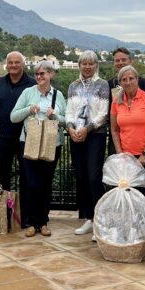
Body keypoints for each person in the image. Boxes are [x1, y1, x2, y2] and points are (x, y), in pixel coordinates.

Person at [10, 60, 66, 238]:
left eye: (43, 73)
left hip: (52, 144)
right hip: (29, 142)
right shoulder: (28, 93)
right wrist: (28, 109)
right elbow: (13, 117)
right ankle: (32, 222)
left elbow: (66, 121)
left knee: (45, 184)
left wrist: (55, 115)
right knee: (32, 183)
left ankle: (43, 222)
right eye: (37, 74)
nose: (39, 77)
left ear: (51, 74)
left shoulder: (58, 95)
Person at [65, 51, 110, 236]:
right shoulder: (73, 86)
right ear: (79, 65)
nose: (87, 67)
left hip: (95, 135)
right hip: (75, 135)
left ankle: (99, 220)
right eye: (84, 64)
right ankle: (89, 219)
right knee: (82, 178)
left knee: (93, 177)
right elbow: (69, 111)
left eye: (91, 64)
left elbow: (104, 113)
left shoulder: (102, 85)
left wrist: (88, 128)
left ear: (96, 65)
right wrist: (70, 128)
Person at [0, 51, 36, 226]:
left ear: (23, 64)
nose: (14, 65)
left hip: (25, 138)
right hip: (3, 138)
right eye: (11, 62)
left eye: (17, 62)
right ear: (6, 64)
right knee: (2, 177)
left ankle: (23, 215)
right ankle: (2, 213)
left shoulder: (32, 84)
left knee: (26, 177)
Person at [110, 65, 145, 207]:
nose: (128, 82)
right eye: (124, 79)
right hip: (127, 157)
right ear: (120, 83)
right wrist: (120, 154)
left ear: (137, 79)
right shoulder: (116, 102)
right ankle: (134, 227)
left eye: (131, 78)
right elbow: (114, 130)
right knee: (130, 194)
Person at [107, 47, 145, 155]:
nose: (120, 63)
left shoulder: (142, 82)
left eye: (123, 60)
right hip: (118, 136)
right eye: (117, 60)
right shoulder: (110, 84)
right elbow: (108, 110)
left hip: (139, 138)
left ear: (130, 61)